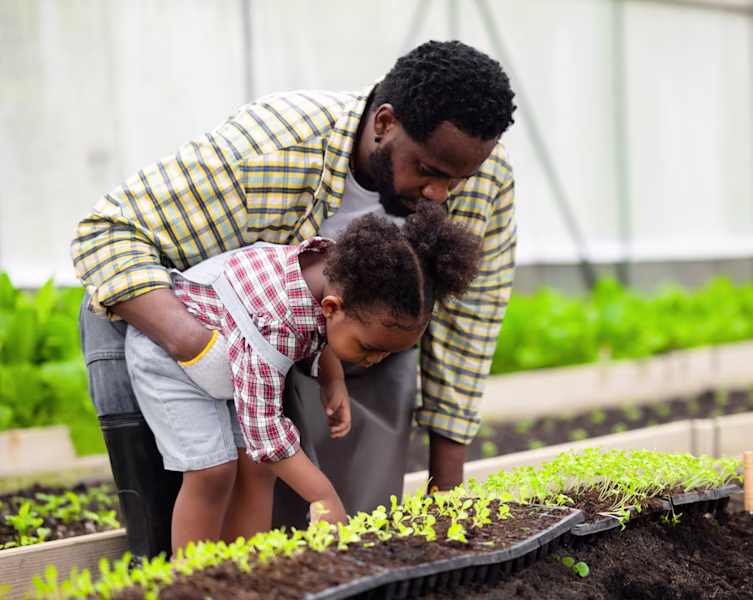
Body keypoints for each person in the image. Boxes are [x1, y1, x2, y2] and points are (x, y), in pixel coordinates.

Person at [74, 39, 517, 559]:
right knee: (205, 483)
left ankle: (250, 575)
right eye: (428, 171)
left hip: (316, 343)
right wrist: (198, 346)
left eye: (456, 179)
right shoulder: (273, 146)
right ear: (385, 123)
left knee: (347, 545)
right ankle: (186, 577)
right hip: (202, 334)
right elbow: (105, 233)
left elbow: (469, 324)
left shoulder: (484, 174)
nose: (442, 194)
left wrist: (446, 497)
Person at [124, 204, 481, 552]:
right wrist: (321, 494)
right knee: (212, 470)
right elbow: (265, 428)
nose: (375, 361)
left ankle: (246, 574)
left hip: (227, 358)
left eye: (388, 354)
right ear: (332, 308)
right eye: (370, 348)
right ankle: (189, 582)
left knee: (257, 468)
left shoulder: (333, 275)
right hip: (170, 360)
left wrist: (332, 378)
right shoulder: (276, 321)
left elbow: (317, 326)